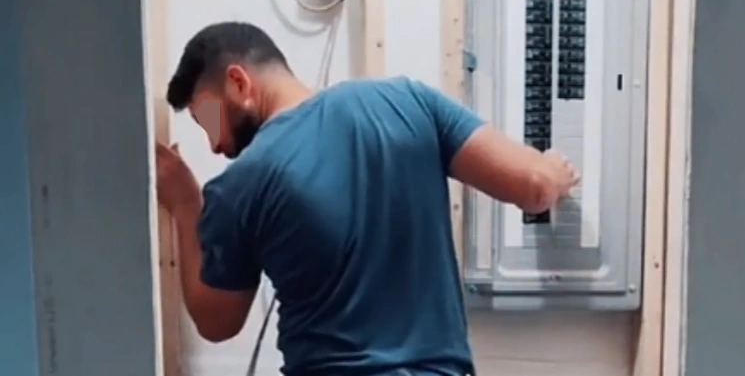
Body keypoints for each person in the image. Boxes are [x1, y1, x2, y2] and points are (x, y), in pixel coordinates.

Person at [154, 21, 580, 376]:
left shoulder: (238, 185)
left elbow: (217, 321)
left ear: (238, 82)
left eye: (209, 119)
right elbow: (534, 186)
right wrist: (554, 170)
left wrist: (186, 206)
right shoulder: (409, 102)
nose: (215, 145)